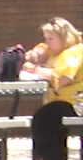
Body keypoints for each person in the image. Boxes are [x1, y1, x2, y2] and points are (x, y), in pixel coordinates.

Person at [22, 17, 82, 160]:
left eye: (51, 38)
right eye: (45, 38)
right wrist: (34, 55)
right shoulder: (55, 51)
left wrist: (35, 70)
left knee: (44, 118)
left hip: (76, 103)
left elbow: (63, 79)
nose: (47, 42)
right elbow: (39, 52)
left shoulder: (74, 52)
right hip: (61, 101)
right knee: (49, 120)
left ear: (64, 38)